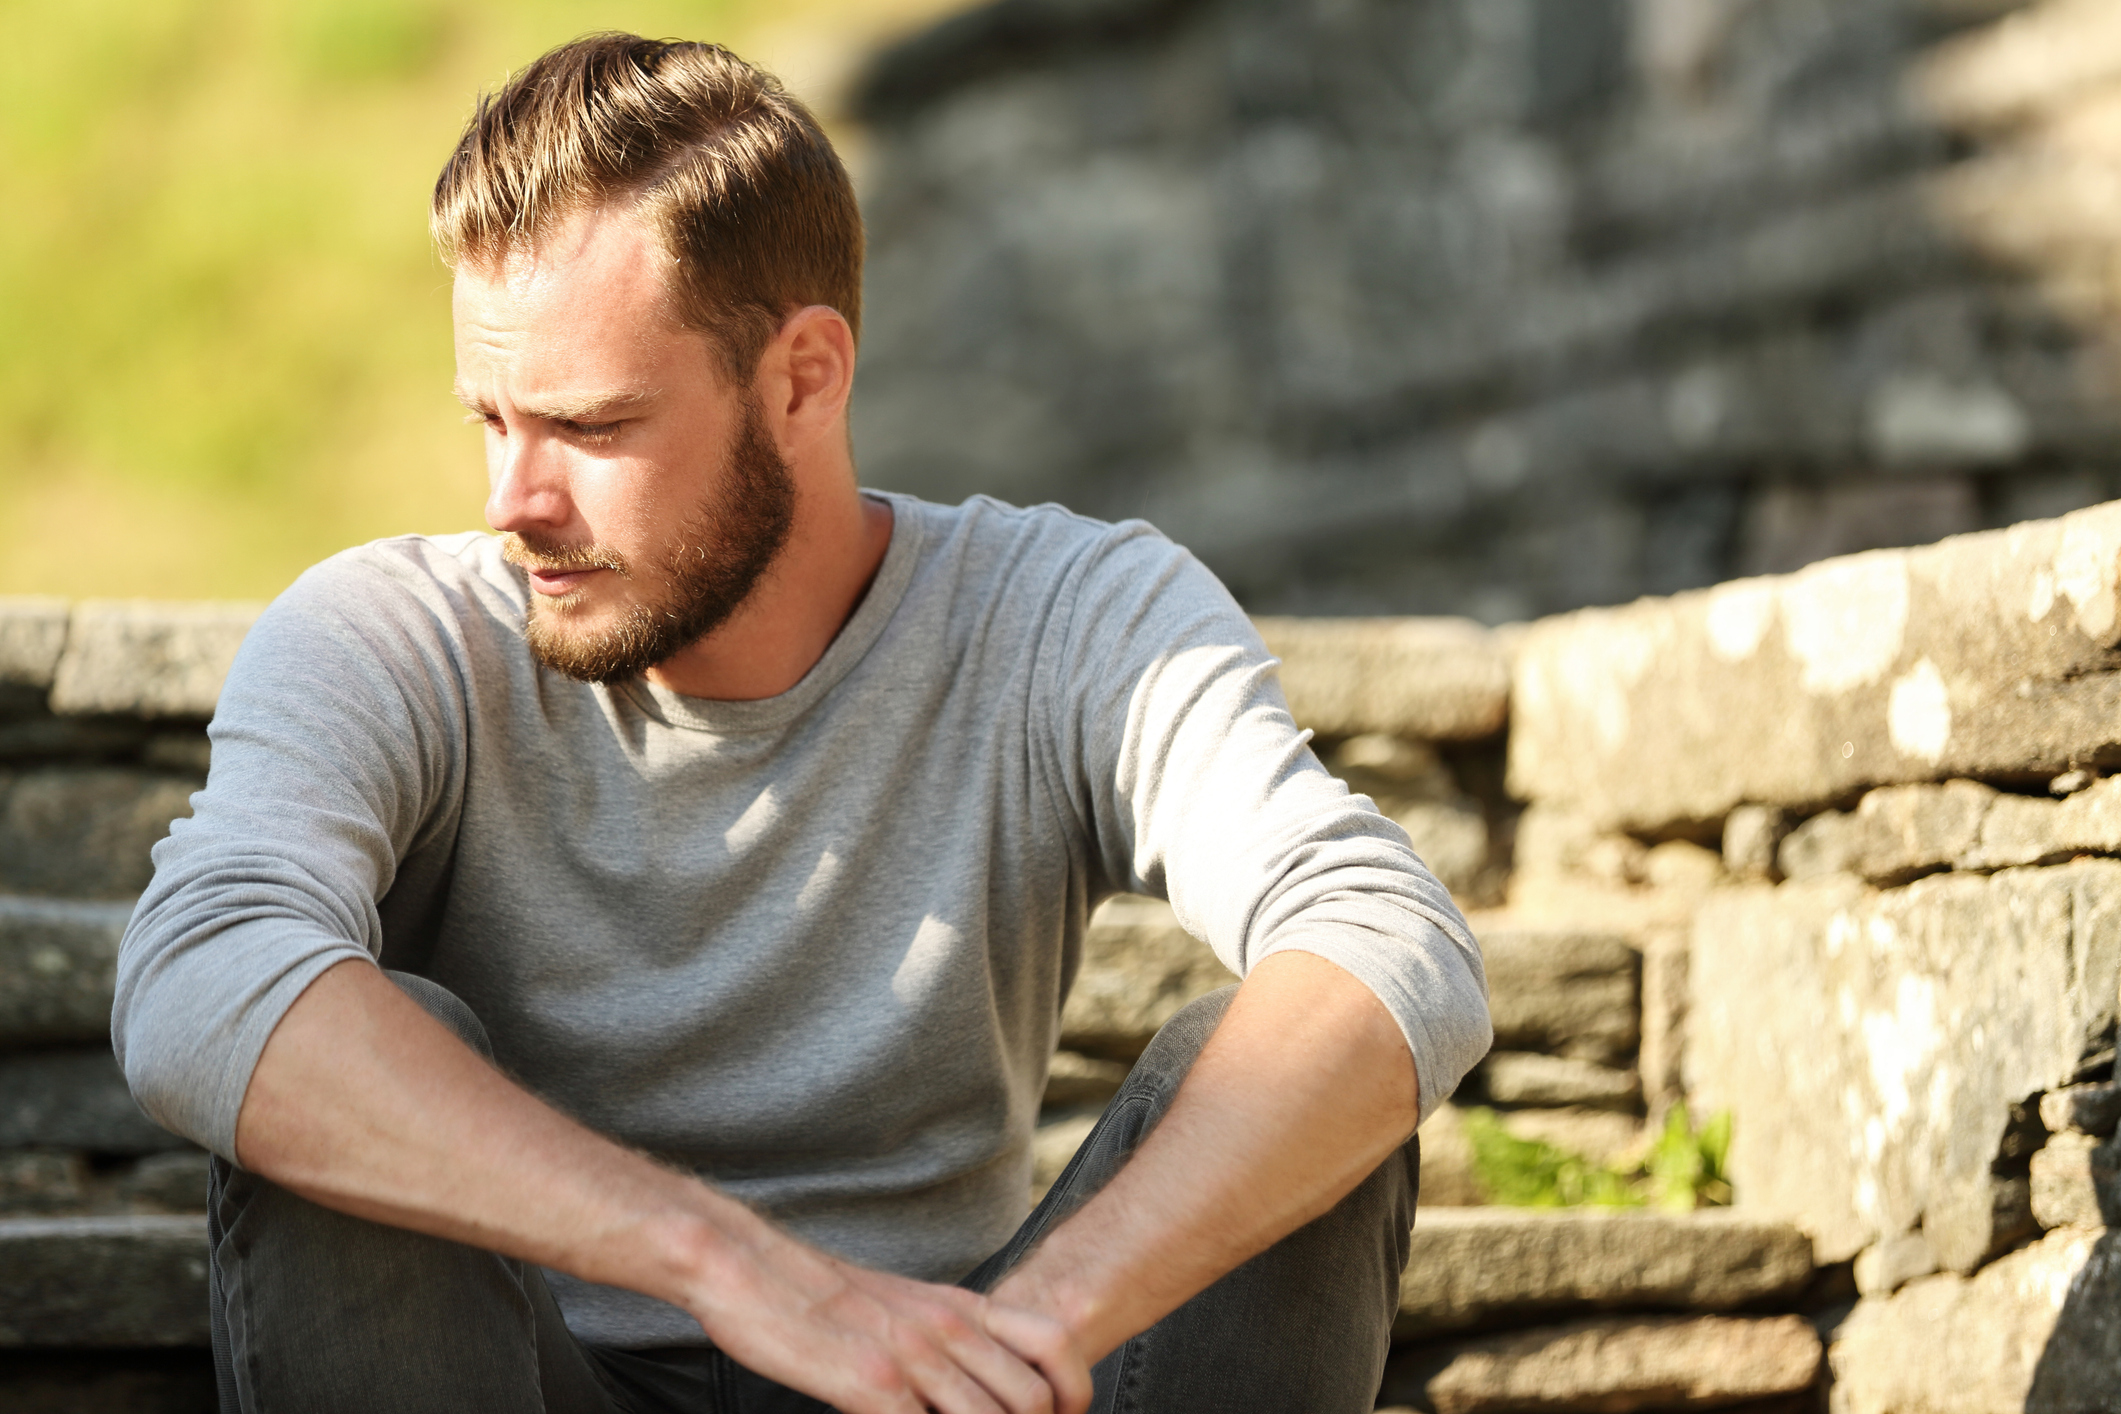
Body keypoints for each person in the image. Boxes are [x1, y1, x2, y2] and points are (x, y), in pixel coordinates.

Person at [112, 32, 1491, 1414]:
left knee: (1301, 1062)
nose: (512, 503)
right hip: (531, 1374)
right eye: (490, 417)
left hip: (962, 1379)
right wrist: (729, 1264)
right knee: (334, 1078)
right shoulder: (386, 634)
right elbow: (201, 973)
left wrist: (1010, 1341)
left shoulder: (1071, 613)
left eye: (589, 429)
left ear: (802, 377)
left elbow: (1385, 938)